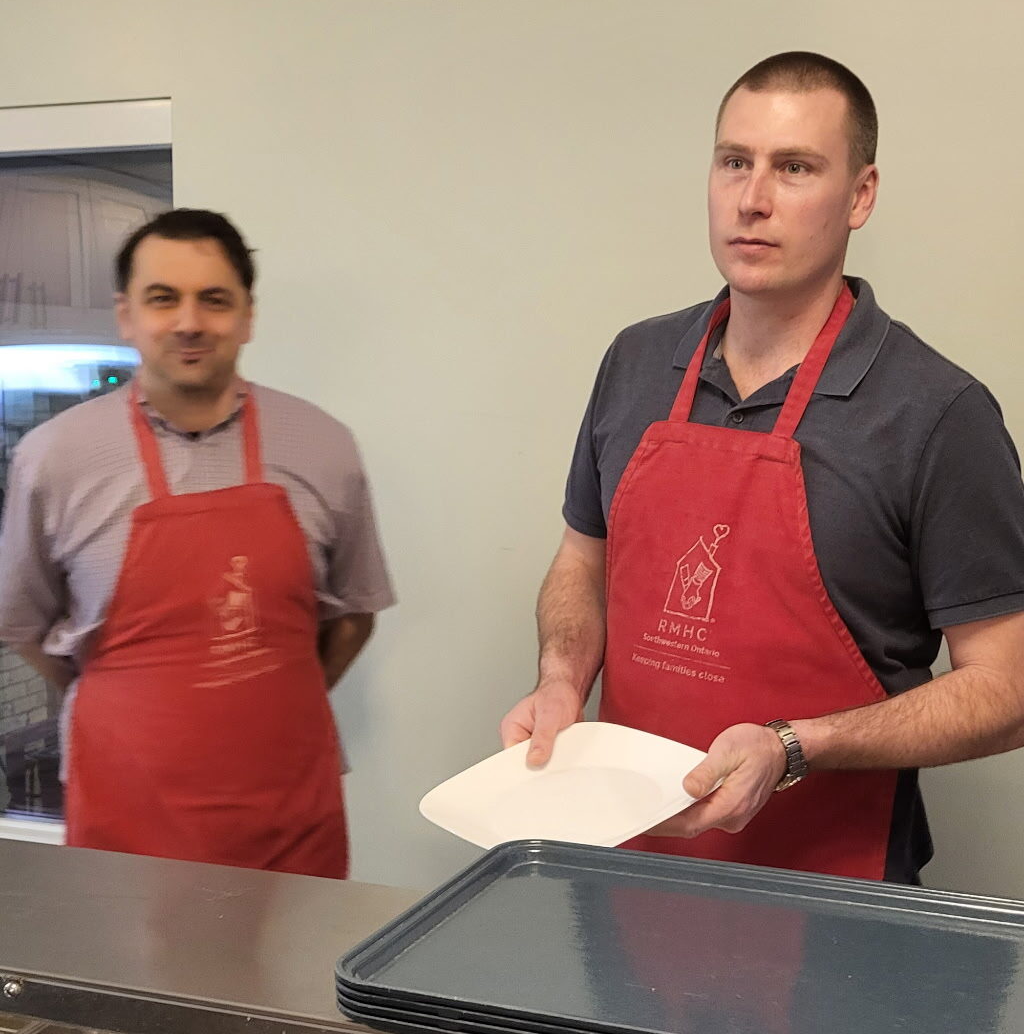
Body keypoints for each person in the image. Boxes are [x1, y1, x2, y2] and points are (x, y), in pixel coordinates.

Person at [502, 52, 1024, 883]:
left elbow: (1008, 688)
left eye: (795, 168)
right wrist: (561, 679)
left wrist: (795, 747)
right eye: (734, 162)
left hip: (834, 902)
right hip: (626, 869)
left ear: (861, 195)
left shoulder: (937, 413)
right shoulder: (637, 362)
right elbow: (581, 561)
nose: (753, 198)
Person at [0, 208, 394, 877]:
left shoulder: (324, 445)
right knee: (125, 984)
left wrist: (270, 706)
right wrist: (126, 702)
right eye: (163, 298)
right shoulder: (55, 458)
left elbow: (354, 614)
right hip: (125, 823)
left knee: (289, 981)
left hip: (289, 818)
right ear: (126, 315)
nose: (189, 321)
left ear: (247, 317)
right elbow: (24, 627)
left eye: (214, 300)